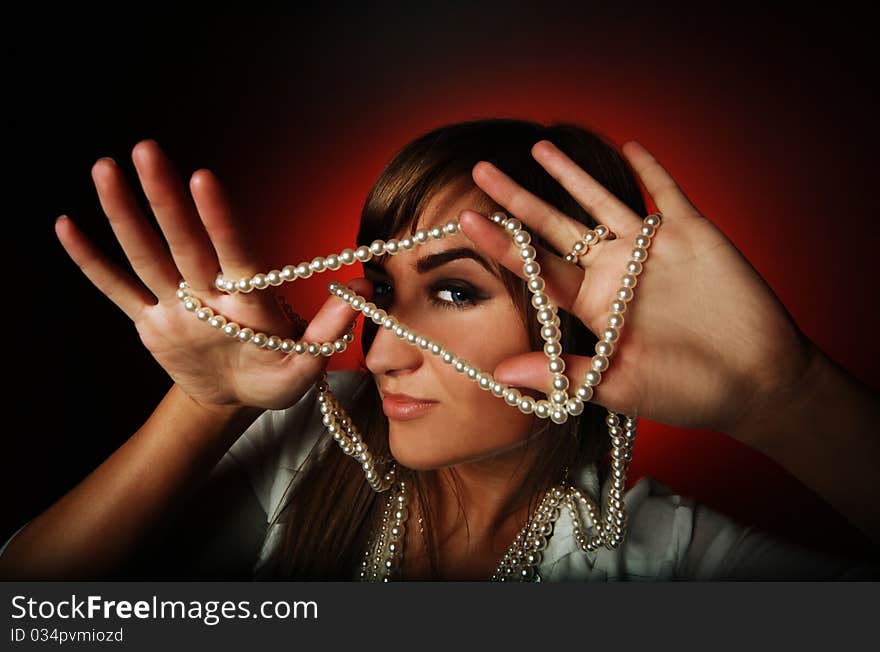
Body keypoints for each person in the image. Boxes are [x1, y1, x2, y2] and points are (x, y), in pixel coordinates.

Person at [1, 118, 877, 581]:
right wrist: (205, 407)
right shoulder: (310, 442)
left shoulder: (667, 562)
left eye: (456, 291)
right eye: (382, 295)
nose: (378, 355)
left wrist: (786, 393)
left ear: (578, 324)